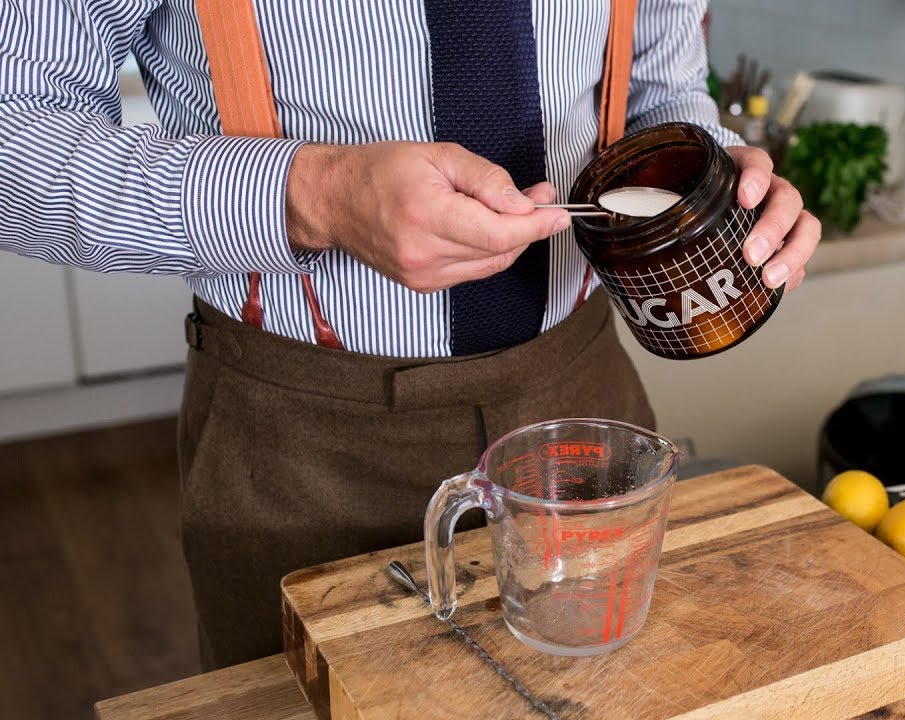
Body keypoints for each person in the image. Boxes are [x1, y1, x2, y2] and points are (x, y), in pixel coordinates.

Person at [0, 1, 819, 670]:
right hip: (300, 446)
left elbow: (656, 88)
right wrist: (314, 193)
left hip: (581, 405)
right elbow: (16, 134)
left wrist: (715, 177)